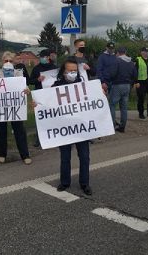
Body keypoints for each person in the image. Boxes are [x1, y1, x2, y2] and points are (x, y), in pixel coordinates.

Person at [52, 56, 92, 196]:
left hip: (81, 128)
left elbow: (93, 102)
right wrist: (37, 104)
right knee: (65, 157)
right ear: (63, 71)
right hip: (64, 128)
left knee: (85, 156)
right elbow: (48, 104)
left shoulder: (84, 86)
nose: (72, 73)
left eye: (74, 71)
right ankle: (64, 182)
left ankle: (85, 183)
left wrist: (101, 94)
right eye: (69, 71)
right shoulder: (56, 86)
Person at [0, 51, 32, 165]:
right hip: (1, 106)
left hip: (15, 106)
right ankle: (2, 154)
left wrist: (27, 90)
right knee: (1, 130)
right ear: (2, 62)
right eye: (6, 61)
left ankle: (25, 155)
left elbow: (24, 87)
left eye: (10, 61)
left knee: (19, 130)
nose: (8, 63)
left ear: (14, 63)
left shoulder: (18, 73)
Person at [28, 49, 58, 147]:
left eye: (44, 57)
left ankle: (55, 136)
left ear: (48, 57)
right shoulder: (36, 68)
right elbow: (30, 81)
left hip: (52, 95)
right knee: (40, 116)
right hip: (40, 95)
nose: (42, 59)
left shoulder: (54, 68)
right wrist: (37, 79)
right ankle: (39, 138)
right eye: (40, 57)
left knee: (53, 115)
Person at [107, 47, 137, 133]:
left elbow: (112, 74)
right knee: (124, 107)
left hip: (117, 85)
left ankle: (113, 125)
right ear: (125, 52)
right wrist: (130, 83)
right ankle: (122, 126)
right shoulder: (131, 63)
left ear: (117, 53)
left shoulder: (117, 61)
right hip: (127, 86)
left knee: (112, 105)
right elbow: (135, 75)